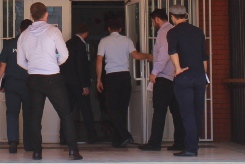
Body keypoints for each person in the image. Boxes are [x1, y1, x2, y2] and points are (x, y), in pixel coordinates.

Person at [17, 2, 81, 161]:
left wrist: (33, 67)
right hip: (52, 77)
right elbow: (64, 55)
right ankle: (73, 151)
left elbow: (20, 61)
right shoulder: (53, 31)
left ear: (31, 16)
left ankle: (37, 152)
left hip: (33, 78)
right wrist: (54, 64)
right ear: (46, 14)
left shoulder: (24, 35)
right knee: (65, 114)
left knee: (35, 116)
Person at [95, 17, 149, 148]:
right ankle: (118, 140)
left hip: (111, 77)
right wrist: (148, 56)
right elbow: (136, 56)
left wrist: (99, 79)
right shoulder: (127, 40)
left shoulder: (104, 41)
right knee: (122, 108)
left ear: (109, 29)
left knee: (111, 108)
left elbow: (99, 60)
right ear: (120, 29)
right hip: (125, 76)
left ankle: (124, 136)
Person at [166, 4, 209, 157]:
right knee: (197, 113)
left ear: (172, 17)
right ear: (186, 15)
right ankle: (193, 146)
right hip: (199, 76)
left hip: (184, 76)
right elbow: (204, 57)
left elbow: (172, 51)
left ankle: (190, 148)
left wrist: (178, 69)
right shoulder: (198, 31)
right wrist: (203, 75)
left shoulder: (173, 32)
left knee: (187, 113)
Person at [140, 9, 185, 152]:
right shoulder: (175, 31)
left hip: (164, 78)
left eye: (153, 21)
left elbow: (164, 55)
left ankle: (154, 143)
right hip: (176, 77)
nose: (153, 24)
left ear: (157, 19)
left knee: (159, 112)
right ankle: (180, 142)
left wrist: (154, 72)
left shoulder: (163, 33)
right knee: (177, 113)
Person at [0, 19, 32, 153]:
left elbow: (2, 65)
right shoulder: (35, 44)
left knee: (12, 113)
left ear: (19, 29)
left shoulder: (10, 43)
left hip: (12, 84)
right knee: (29, 114)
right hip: (30, 84)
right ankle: (29, 144)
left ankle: (12, 142)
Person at [61, 22, 98, 145]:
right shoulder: (81, 45)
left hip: (67, 83)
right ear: (86, 33)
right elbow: (81, 66)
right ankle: (92, 136)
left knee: (67, 111)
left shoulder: (68, 43)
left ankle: (63, 137)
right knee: (86, 110)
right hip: (78, 84)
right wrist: (85, 85)